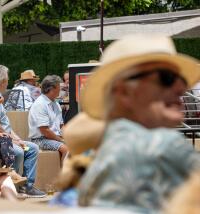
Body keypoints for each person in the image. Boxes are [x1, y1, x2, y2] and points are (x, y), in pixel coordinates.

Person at [73, 34, 200, 212]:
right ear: (123, 91)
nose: (181, 88)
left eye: (182, 80)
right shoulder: (164, 146)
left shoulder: (104, 154)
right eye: (167, 78)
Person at [0, 64, 46, 198]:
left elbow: (4, 125)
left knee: (31, 148)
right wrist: (13, 140)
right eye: (7, 79)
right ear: (2, 81)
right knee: (19, 150)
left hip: (5, 136)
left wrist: (18, 139)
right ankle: (14, 186)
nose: (8, 82)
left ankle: (27, 186)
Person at [28, 75, 69, 166]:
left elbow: (61, 125)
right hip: (40, 140)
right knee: (66, 149)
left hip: (53, 137)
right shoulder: (40, 104)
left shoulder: (55, 104)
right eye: (58, 86)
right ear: (52, 89)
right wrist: (61, 140)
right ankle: (64, 177)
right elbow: (45, 131)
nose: (60, 88)